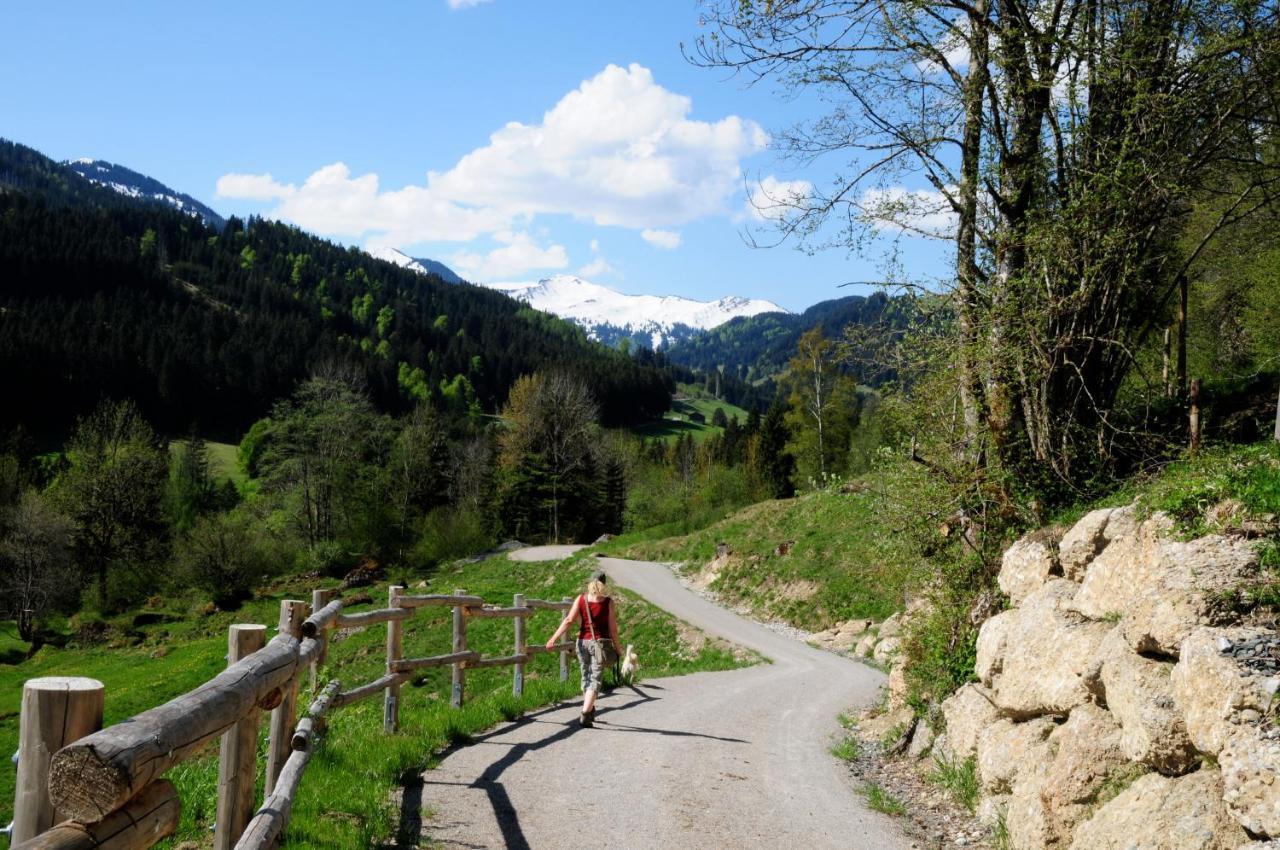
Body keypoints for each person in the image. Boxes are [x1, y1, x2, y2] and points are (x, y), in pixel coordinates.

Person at [545, 569, 620, 727]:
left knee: (586, 676)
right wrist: (618, 648)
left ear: (590, 582)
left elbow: (569, 620)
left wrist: (553, 639)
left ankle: (590, 708)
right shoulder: (608, 602)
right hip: (600, 644)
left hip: (582, 643)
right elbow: (613, 629)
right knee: (595, 679)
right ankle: (585, 713)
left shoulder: (581, 599)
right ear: (604, 584)